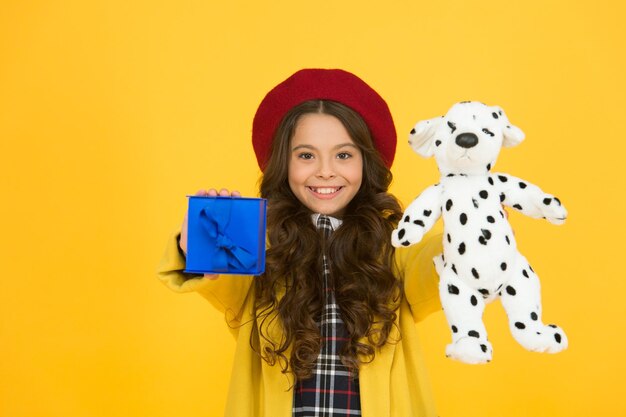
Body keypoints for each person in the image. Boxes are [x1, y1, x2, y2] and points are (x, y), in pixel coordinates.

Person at [157, 68, 443, 417]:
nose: (325, 171)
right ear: (283, 162)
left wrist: (470, 240)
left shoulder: (394, 245)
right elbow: (224, 282)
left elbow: (433, 267)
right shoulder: (258, 245)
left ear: (366, 163)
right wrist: (199, 243)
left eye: (343, 155)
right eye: (306, 155)